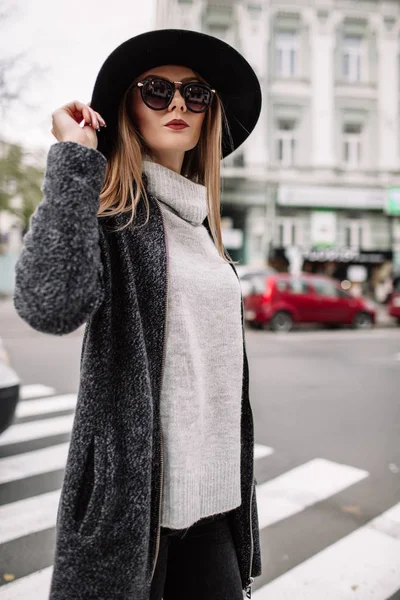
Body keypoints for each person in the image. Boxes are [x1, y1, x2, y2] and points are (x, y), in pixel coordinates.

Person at [13, 29, 262, 600]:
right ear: (126, 107)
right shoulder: (114, 221)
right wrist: (76, 158)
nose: (178, 104)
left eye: (195, 93)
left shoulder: (204, 232)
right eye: (156, 90)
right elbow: (49, 305)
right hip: (135, 516)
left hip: (217, 510)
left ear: (209, 113)